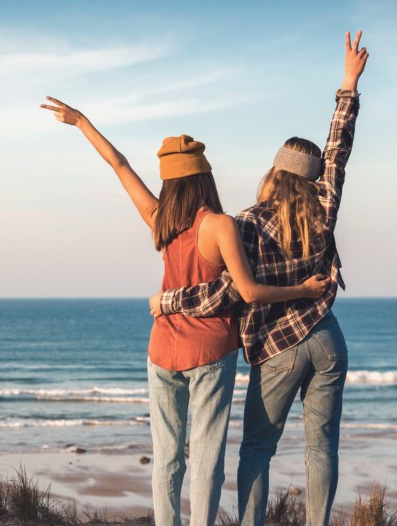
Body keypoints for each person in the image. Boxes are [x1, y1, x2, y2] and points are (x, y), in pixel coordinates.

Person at [41, 97, 328, 526]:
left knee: (167, 457)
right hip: (211, 351)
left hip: (162, 350)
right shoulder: (220, 224)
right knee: (207, 456)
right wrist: (302, 288)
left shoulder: (158, 218)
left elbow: (119, 165)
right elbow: (248, 292)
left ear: (170, 181)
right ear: (205, 177)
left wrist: (81, 122)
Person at [151, 30, 369, 526]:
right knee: (322, 447)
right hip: (328, 337)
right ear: (311, 179)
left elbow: (229, 292)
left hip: (279, 348)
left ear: (274, 173)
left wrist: (170, 302)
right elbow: (338, 150)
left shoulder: (246, 223)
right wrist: (348, 85)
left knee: (257, 451)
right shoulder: (325, 207)